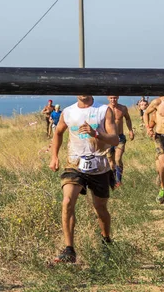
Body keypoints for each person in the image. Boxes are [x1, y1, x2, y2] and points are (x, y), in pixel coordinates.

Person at [48, 95, 119, 264]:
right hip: (75, 164)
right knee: (67, 201)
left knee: (100, 208)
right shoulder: (68, 112)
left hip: (100, 166)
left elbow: (115, 139)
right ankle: (69, 250)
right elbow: (58, 133)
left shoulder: (103, 110)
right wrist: (54, 156)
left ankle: (106, 241)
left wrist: (96, 133)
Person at [107, 96, 135, 187]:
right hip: (109, 138)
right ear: (108, 98)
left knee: (118, 159)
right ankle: (113, 180)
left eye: (114, 98)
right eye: (111, 98)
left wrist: (130, 130)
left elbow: (127, 118)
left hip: (120, 137)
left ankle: (119, 181)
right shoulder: (105, 109)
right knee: (111, 162)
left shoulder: (123, 108)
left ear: (118, 97)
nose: (113, 100)